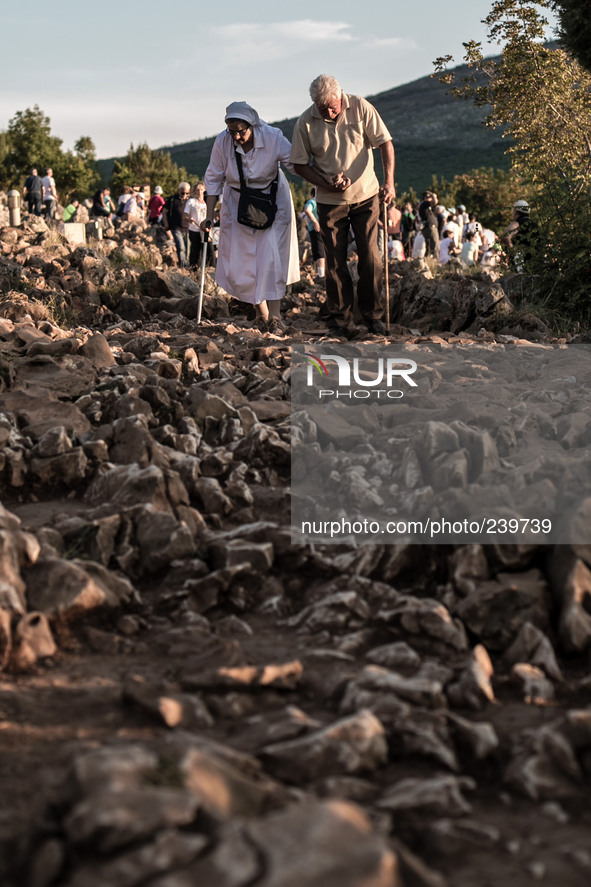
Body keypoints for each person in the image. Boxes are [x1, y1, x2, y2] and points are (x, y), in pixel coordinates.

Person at [290, 74, 395, 337]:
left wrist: (389, 181)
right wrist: (325, 181)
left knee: (371, 257)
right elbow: (299, 164)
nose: (328, 111)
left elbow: (385, 142)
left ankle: (372, 315)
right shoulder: (305, 121)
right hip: (329, 201)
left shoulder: (361, 106)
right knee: (335, 261)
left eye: (332, 106)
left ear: (340, 96)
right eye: (322, 107)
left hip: (367, 195)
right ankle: (340, 319)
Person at [201, 101, 299, 330]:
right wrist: (208, 214)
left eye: (240, 131)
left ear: (252, 125)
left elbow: (296, 164)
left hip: (273, 200)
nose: (236, 136)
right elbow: (214, 177)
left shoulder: (273, 137)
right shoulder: (222, 142)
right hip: (237, 201)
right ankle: (260, 313)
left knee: (271, 256)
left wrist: (323, 178)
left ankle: (275, 317)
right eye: (231, 131)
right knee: (244, 261)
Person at [501, 199, 539, 271]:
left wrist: (514, 251)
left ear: (516, 212)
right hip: (536, 262)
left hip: (520, 263)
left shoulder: (517, 223)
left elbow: (505, 236)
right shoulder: (535, 225)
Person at [163, 182, 190, 268]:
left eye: (187, 193)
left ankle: (188, 265)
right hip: (176, 227)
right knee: (181, 247)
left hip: (188, 228)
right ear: (179, 190)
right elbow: (164, 212)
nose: (184, 195)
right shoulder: (172, 199)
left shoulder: (190, 200)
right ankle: (183, 266)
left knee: (188, 249)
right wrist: (166, 224)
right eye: (183, 193)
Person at [184, 182, 208, 268]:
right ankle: (193, 268)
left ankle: (202, 268)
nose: (199, 192)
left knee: (204, 250)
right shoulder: (191, 202)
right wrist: (189, 219)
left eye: (201, 189)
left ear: (204, 190)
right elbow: (185, 215)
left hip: (204, 230)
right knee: (195, 249)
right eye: (198, 190)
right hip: (194, 229)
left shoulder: (207, 203)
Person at [303, 188, 325, 279]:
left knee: (319, 252)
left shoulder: (313, 201)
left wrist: (315, 222)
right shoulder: (324, 201)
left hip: (316, 229)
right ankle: (321, 274)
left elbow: (307, 210)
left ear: (312, 194)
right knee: (322, 251)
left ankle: (321, 275)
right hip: (325, 229)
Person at [418, 191, 439, 258]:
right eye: (428, 197)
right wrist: (434, 196)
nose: (430, 198)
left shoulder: (424, 206)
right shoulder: (424, 204)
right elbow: (435, 202)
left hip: (428, 227)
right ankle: (435, 262)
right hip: (430, 228)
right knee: (434, 246)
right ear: (425, 198)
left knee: (429, 247)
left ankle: (428, 261)